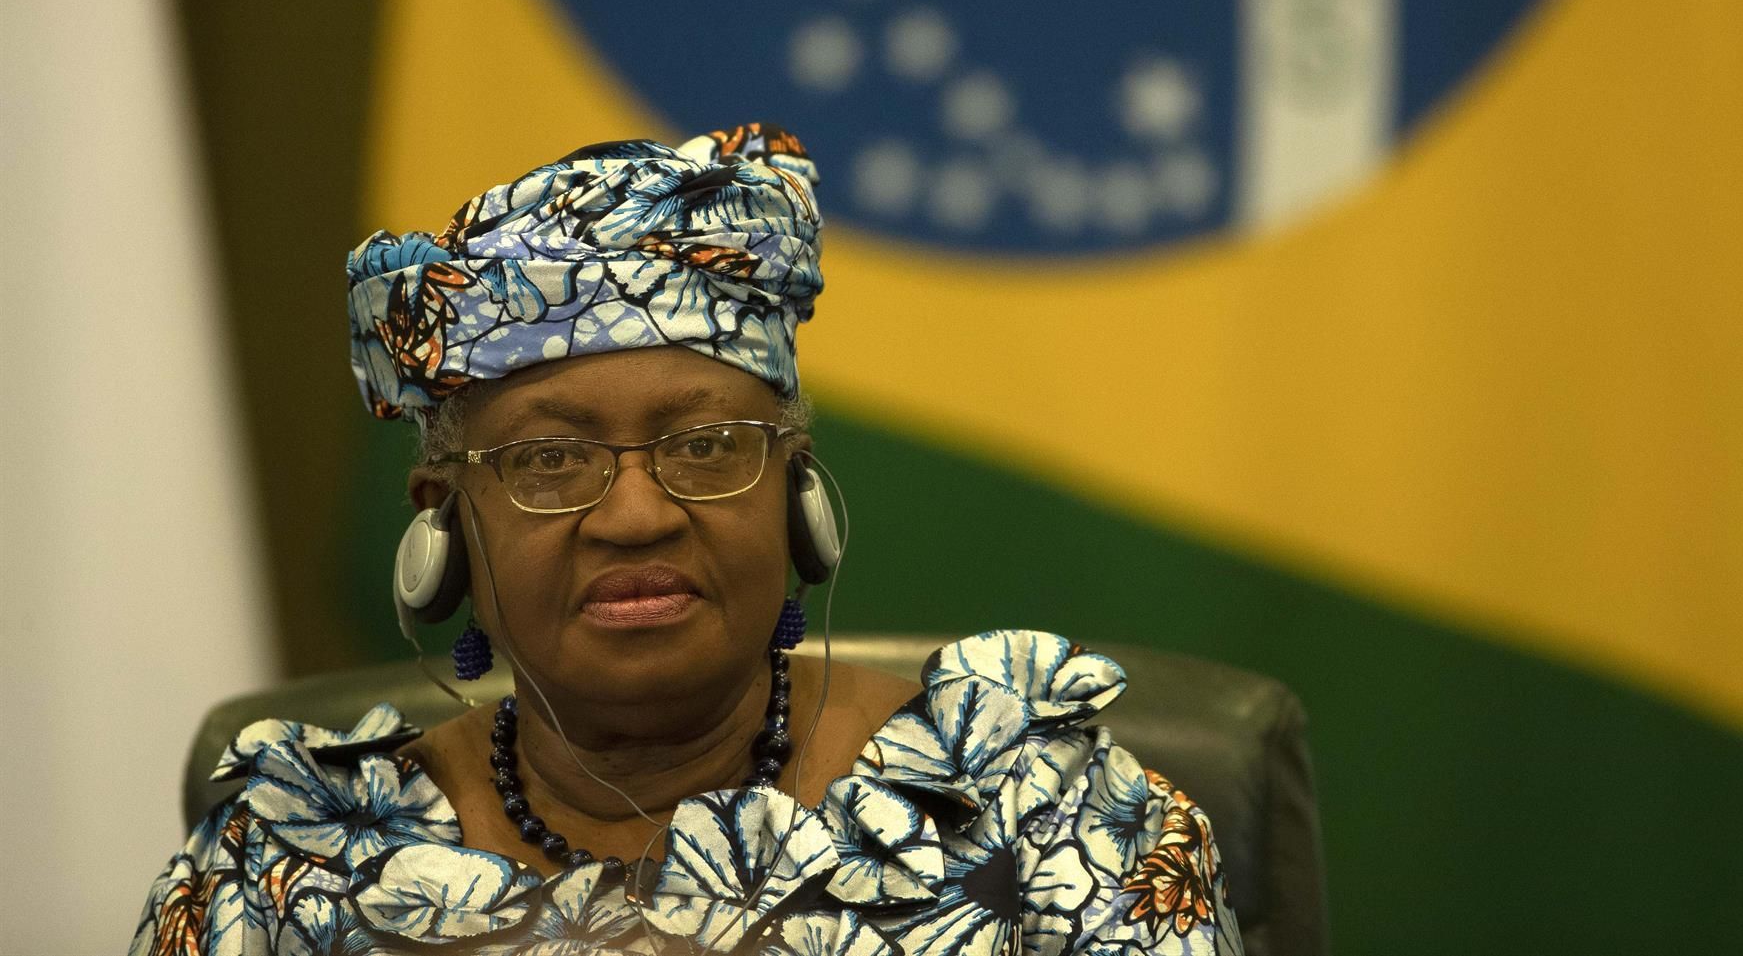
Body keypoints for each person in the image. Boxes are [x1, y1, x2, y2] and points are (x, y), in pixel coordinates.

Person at [129, 124, 1242, 954]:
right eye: (548, 460)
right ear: (446, 523)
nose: (635, 514)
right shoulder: (281, 871)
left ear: (796, 491)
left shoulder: (1043, 814)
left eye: (708, 445)